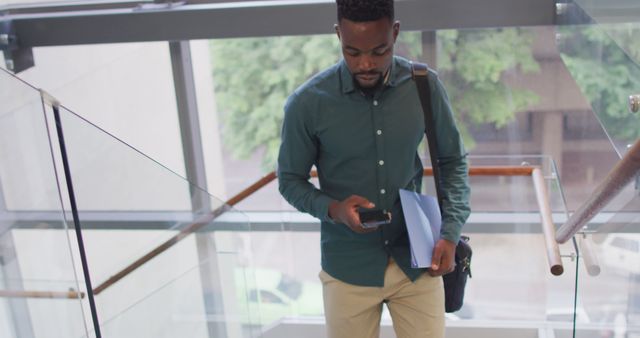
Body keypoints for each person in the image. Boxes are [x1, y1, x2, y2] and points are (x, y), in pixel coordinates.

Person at [277, 0, 470, 337]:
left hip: (417, 262)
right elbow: (290, 181)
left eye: (379, 51)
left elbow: (452, 161)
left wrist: (450, 232)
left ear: (395, 33)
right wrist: (334, 209)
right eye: (352, 52)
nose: (365, 63)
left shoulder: (424, 86)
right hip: (347, 270)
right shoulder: (307, 104)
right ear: (338, 35)